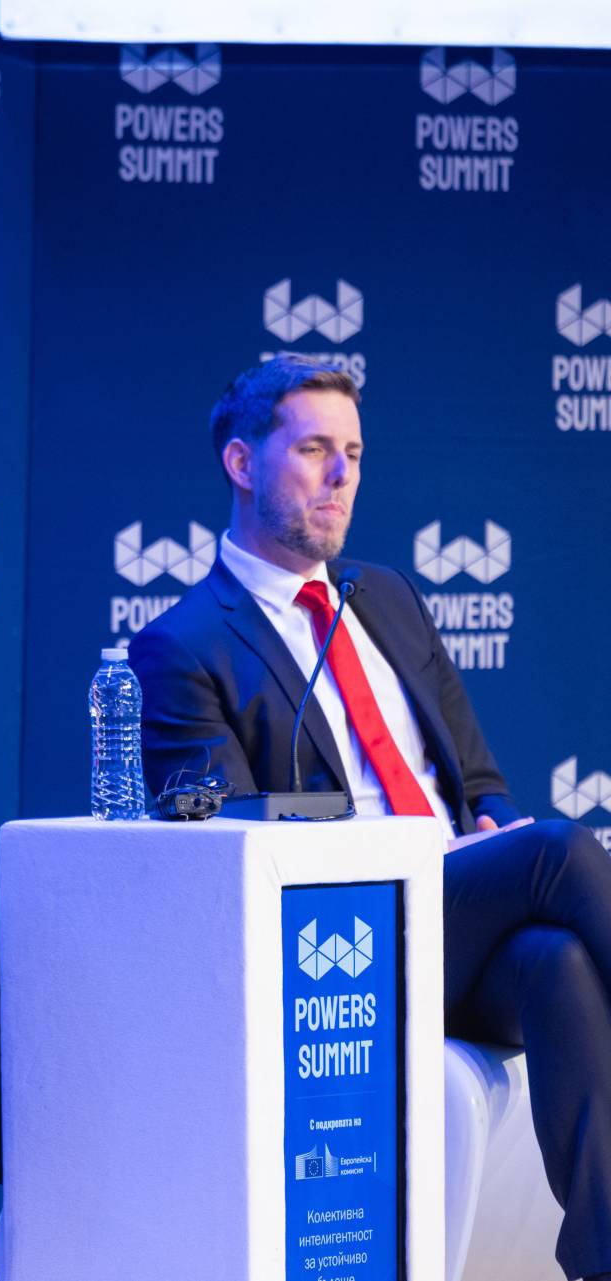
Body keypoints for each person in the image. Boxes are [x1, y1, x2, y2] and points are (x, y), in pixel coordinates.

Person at [128, 355, 611, 1281]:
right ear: (241, 462)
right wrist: (385, 835)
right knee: (556, 851)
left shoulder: (384, 596)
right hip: (335, 941)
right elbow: (221, 831)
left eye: (353, 453)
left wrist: (489, 824)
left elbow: (479, 780)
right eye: (314, 449)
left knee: (557, 962)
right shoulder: (181, 646)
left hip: (452, 926)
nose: (341, 476)